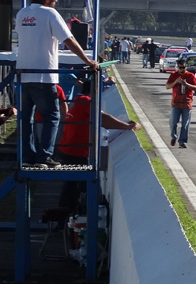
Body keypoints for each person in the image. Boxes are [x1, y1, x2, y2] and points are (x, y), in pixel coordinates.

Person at [14, 0, 99, 168]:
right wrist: (87, 61)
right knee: (52, 116)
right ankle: (44, 157)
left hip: (22, 74)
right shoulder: (50, 14)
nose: (56, 2)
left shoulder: (22, 14)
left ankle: (27, 156)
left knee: (26, 118)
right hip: (44, 75)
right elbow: (69, 40)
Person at [56, 79, 140, 210]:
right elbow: (104, 119)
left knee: (71, 183)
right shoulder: (86, 101)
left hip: (67, 148)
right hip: (75, 151)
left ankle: (65, 213)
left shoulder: (78, 100)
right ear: (95, 90)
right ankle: (77, 212)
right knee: (86, 185)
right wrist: (128, 126)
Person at [165, 59, 196, 148]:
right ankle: (174, 136)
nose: (181, 69)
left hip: (187, 103)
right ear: (177, 67)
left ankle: (182, 142)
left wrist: (186, 84)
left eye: (183, 67)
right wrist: (175, 82)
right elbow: (167, 86)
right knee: (173, 121)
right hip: (176, 103)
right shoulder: (173, 75)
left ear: (186, 67)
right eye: (180, 68)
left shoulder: (190, 76)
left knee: (185, 123)